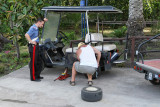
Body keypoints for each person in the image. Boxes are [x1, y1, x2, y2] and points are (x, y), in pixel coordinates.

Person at [25, 17, 48, 82]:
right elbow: (26, 35)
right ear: (39, 22)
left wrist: (44, 20)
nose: (42, 25)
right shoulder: (33, 28)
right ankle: (33, 78)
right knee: (34, 62)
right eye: (42, 24)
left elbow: (40, 20)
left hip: (36, 46)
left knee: (38, 61)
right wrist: (31, 42)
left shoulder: (36, 27)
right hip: (33, 46)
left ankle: (37, 75)